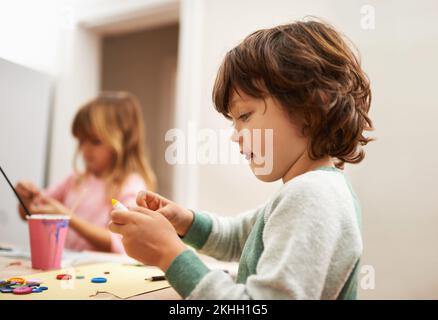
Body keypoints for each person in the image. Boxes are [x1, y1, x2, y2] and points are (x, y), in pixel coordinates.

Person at [109, 19, 373, 299]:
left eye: (245, 116)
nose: (235, 136)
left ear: (311, 108)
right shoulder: (311, 190)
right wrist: (185, 222)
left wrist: (169, 254)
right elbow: (239, 238)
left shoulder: (311, 196)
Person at [16, 91, 156, 253]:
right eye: (81, 141)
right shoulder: (75, 180)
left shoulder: (131, 185)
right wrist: (26, 200)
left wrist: (67, 217)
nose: (85, 149)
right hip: (69, 272)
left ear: (122, 143)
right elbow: (30, 213)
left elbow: (120, 243)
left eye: (95, 141)